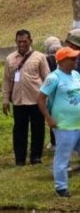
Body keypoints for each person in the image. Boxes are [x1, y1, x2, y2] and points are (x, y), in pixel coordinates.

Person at [3, 29, 50, 166]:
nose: (22, 44)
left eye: (25, 41)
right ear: (15, 42)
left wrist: (48, 98)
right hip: (18, 100)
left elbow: (47, 78)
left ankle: (36, 157)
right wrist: (5, 99)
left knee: (38, 129)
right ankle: (20, 158)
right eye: (19, 41)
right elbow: (6, 80)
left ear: (30, 41)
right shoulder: (10, 59)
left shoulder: (39, 57)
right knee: (19, 130)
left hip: (36, 99)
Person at [40, 46, 80, 197]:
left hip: (79, 124)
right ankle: (61, 187)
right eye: (72, 58)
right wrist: (48, 118)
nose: (75, 60)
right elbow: (40, 98)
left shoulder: (76, 75)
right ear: (62, 60)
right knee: (63, 157)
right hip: (64, 126)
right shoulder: (53, 78)